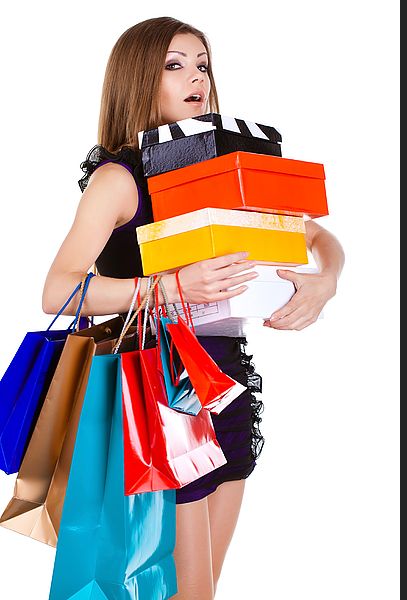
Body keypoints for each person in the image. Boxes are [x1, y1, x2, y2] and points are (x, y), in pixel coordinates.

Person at [42, 16, 345, 600]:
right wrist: (171, 285)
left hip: (227, 378)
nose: (195, 78)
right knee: (183, 590)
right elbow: (59, 291)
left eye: (202, 64)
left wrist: (324, 280)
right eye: (174, 65)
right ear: (138, 79)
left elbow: (318, 236)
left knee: (202, 590)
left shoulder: (228, 171)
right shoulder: (119, 178)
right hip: (159, 388)